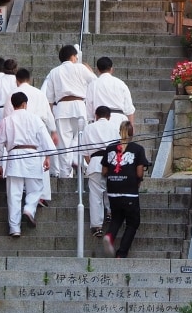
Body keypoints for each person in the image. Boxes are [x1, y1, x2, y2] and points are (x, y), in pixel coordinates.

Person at [0, 91, 53, 238]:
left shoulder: (6, 121)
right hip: (33, 155)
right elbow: (46, 140)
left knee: (14, 194)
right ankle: (28, 208)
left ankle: (15, 228)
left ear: (13, 105)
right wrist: (47, 156)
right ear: (25, 104)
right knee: (36, 188)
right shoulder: (35, 119)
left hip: (13, 157)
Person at [5, 68, 60, 206]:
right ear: (29, 79)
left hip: (18, 131)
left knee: (19, 165)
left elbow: (6, 116)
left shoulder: (12, 94)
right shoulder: (39, 93)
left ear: (16, 80)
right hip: (38, 128)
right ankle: (41, 195)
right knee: (42, 163)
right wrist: (53, 131)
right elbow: (48, 113)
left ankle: (25, 193)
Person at [41, 44, 96, 177]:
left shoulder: (54, 72)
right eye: (76, 56)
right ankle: (75, 158)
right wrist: (89, 69)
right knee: (81, 136)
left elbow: (49, 99)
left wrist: (50, 118)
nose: (77, 58)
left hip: (61, 109)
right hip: (79, 106)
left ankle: (65, 174)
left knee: (63, 144)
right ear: (72, 56)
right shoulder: (80, 67)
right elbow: (95, 81)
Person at [101, 120, 149, 258]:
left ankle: (109, 236)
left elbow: (104, 171)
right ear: (132, 133)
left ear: (119, 132)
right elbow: (139, 173)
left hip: (113, 190)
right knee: (133, 222)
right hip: (129, 190)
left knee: (117, 217)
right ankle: (121, 253)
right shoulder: (138, 149)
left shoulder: (110, 148)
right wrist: (138, 180)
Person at [77, 105, 121, 238]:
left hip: (95, 161)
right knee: (112, 190)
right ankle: (110, 213)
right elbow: (119, 148)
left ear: (96, 116)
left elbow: (84, 153)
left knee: (96, 196)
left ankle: (97, 226)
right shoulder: (114, 127)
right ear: (109, 116)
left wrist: (93, 163)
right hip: (112, 162)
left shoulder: (89, 128)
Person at [85, 56, 135, 127]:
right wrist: (131, 127)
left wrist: (91, 122)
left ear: (97, 70)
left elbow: (89, 107)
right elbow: (129, 109)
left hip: (100, 121)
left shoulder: (93, 85)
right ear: (111, 69)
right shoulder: (121, 84)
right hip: (119, 121)